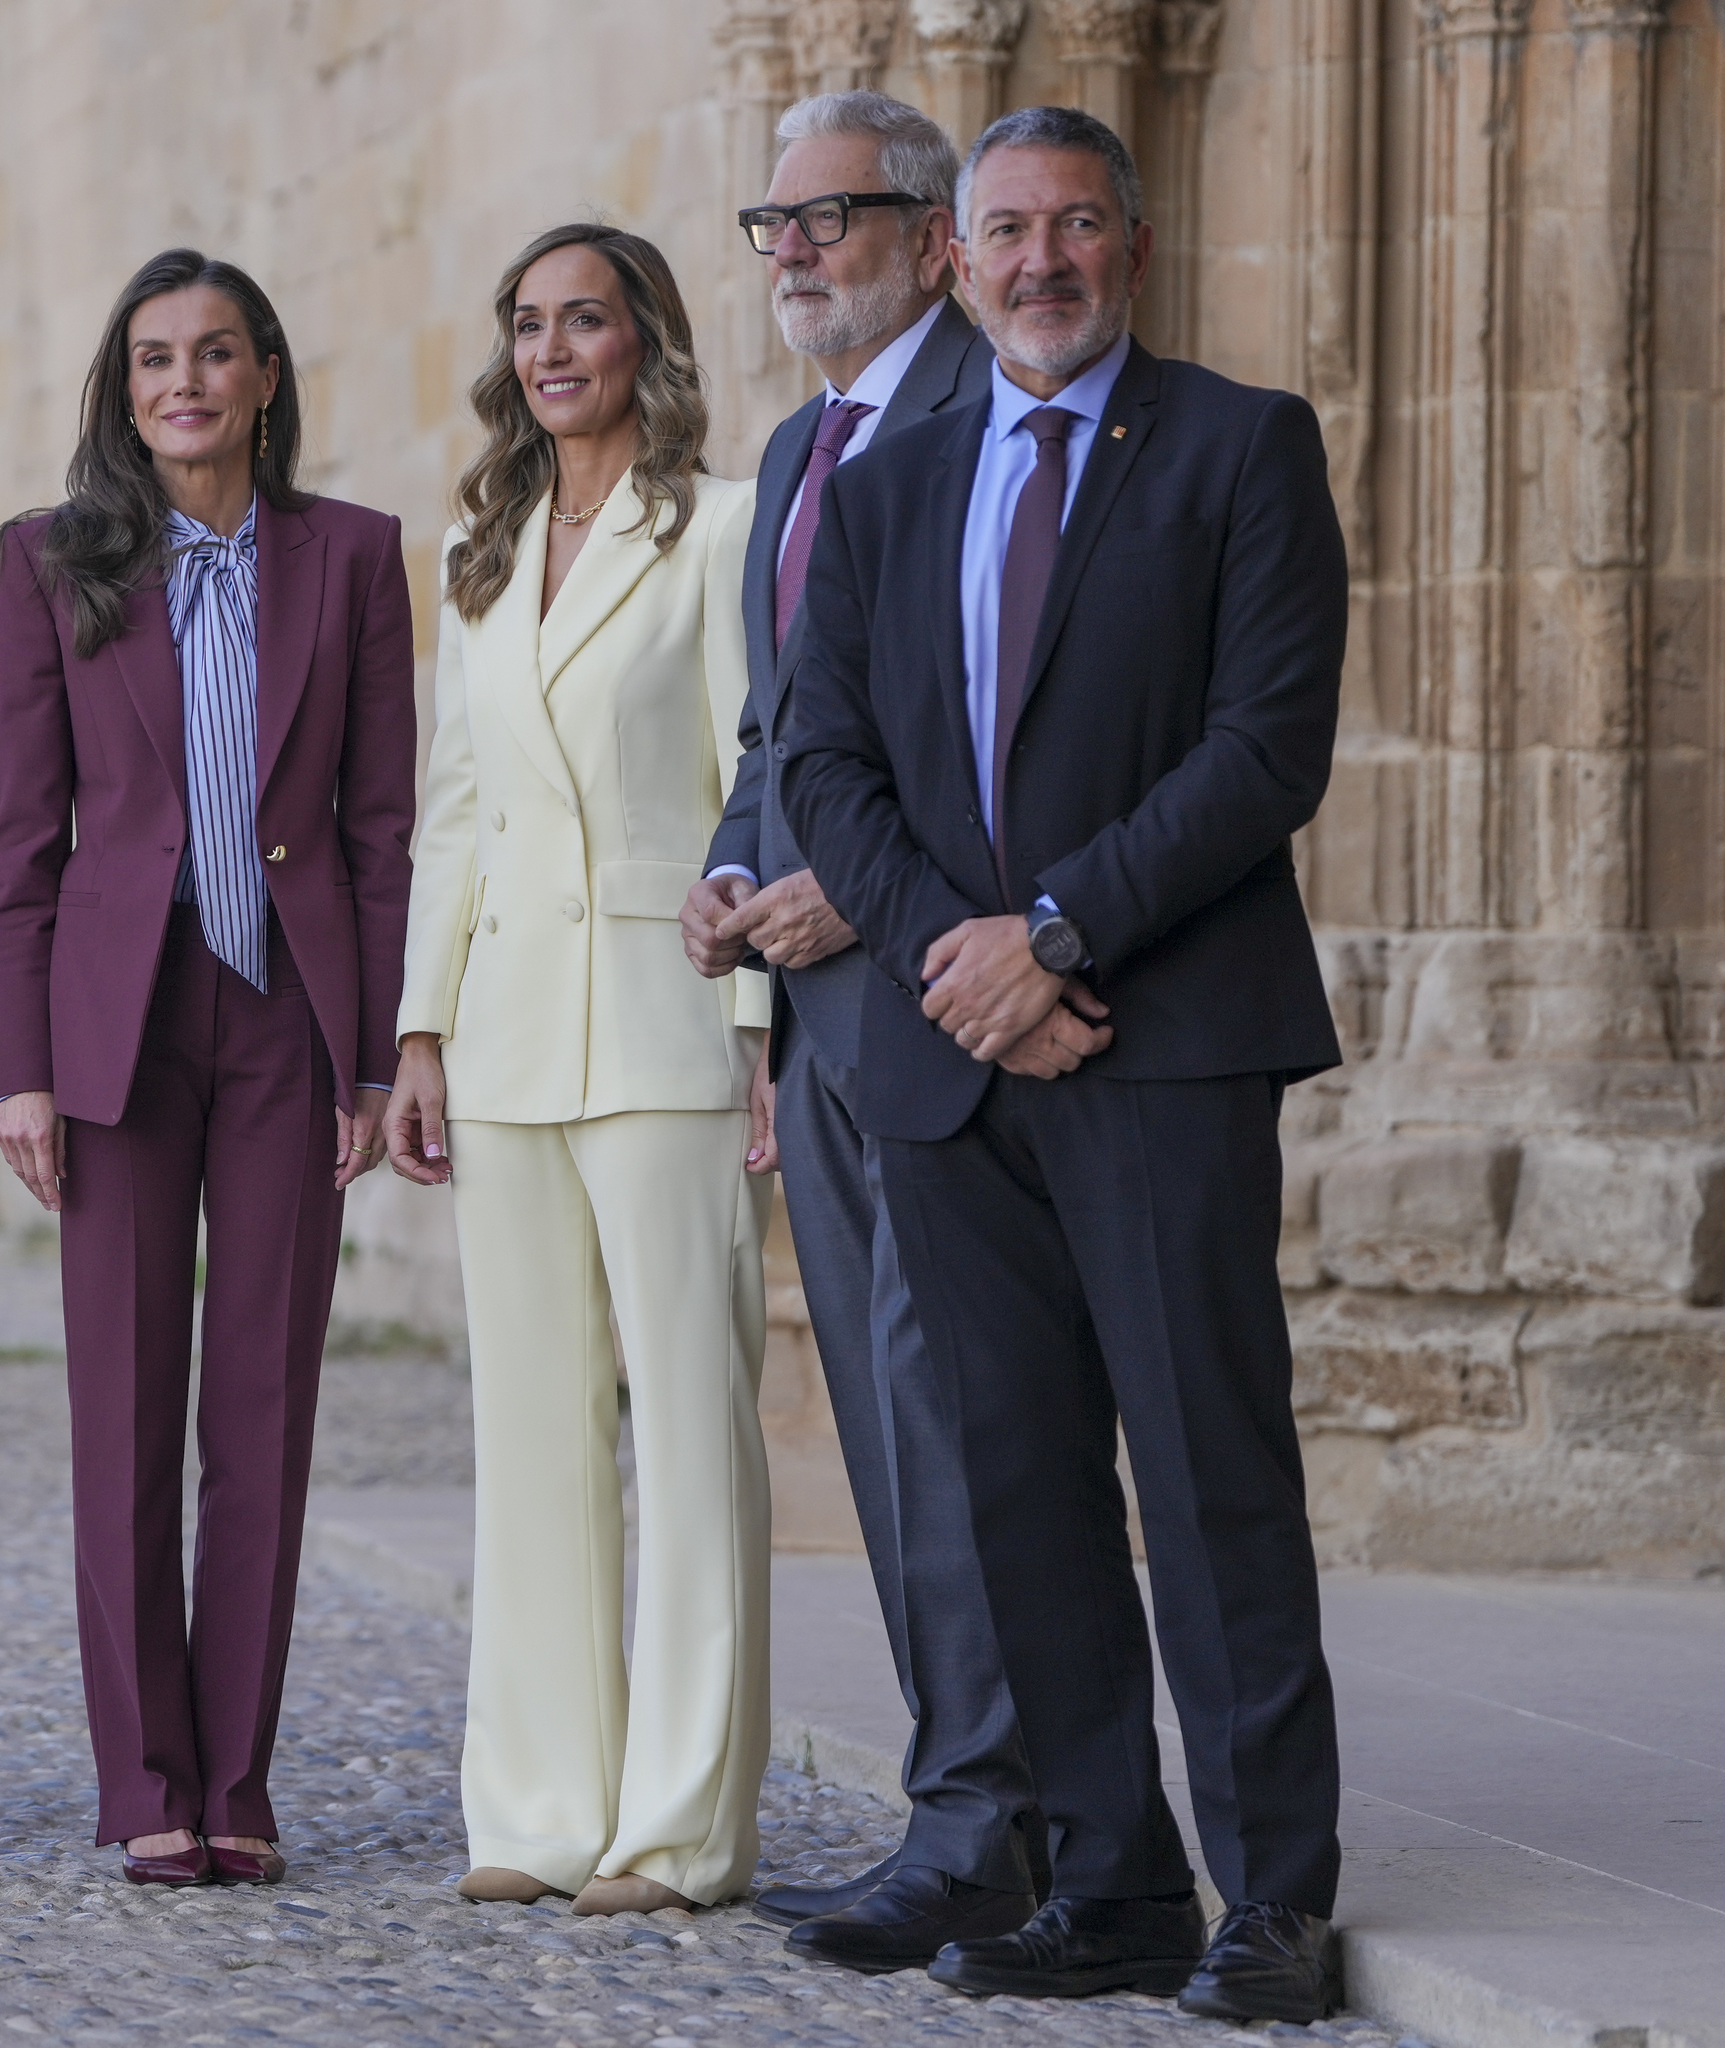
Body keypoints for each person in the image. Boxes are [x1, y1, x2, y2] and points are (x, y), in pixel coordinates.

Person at [779, 106, 1349, 2024]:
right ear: (954, 257)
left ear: (1137, 241)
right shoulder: (883, 485)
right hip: (956, 1065)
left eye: (1077, 227)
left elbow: (1266, 750)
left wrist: (1058, 938)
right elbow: (821, 761)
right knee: (1020, 1486)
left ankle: (1274, 1892)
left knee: (1208, 1478)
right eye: (1006, 231)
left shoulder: (1243, 446)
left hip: (1167, 1045)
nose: (1042, 263)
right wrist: (965, 962)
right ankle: (1113, 1885)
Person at [0, 249, 414, 1888]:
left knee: (263, 1405)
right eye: (156, 357)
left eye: (216, 354)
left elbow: (378, 829)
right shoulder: (52, 561)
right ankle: (142, 1778)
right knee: (125, 1407)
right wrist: (24, 1066)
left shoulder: (353, 558)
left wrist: (372, 1056)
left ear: (266, 378)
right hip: (120, 1024)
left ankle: (238, 1774)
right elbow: (24, 838)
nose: (186, 383)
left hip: (288, 1025)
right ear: (127, 387)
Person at [678, 93, 1043, 1973]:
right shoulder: (800, 443)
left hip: (945, 995)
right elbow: (779, 729)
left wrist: (853, 888)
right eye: (776, 222)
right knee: (893, 1442)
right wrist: (739, 893)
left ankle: (995, 1820)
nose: (796, 251)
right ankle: (967, 1798)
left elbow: (1014, 724)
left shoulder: (998, 423)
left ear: (932, 237)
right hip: (813, 1014)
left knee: (959, 1420)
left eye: (833, 218)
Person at [383, 223, 769, 1917]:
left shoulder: (728, 528)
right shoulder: (487, 544)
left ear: (647, 342)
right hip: (508, 1027)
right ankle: (537, 1813)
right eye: (529, 324)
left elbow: (762, 777)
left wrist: (762, 1029)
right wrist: (420, 1029)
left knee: (692, 1433)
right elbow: (454, 804)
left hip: (672, 1015)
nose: (554, 352)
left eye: (586, 321)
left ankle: (681, 1826)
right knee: (530, 1433)